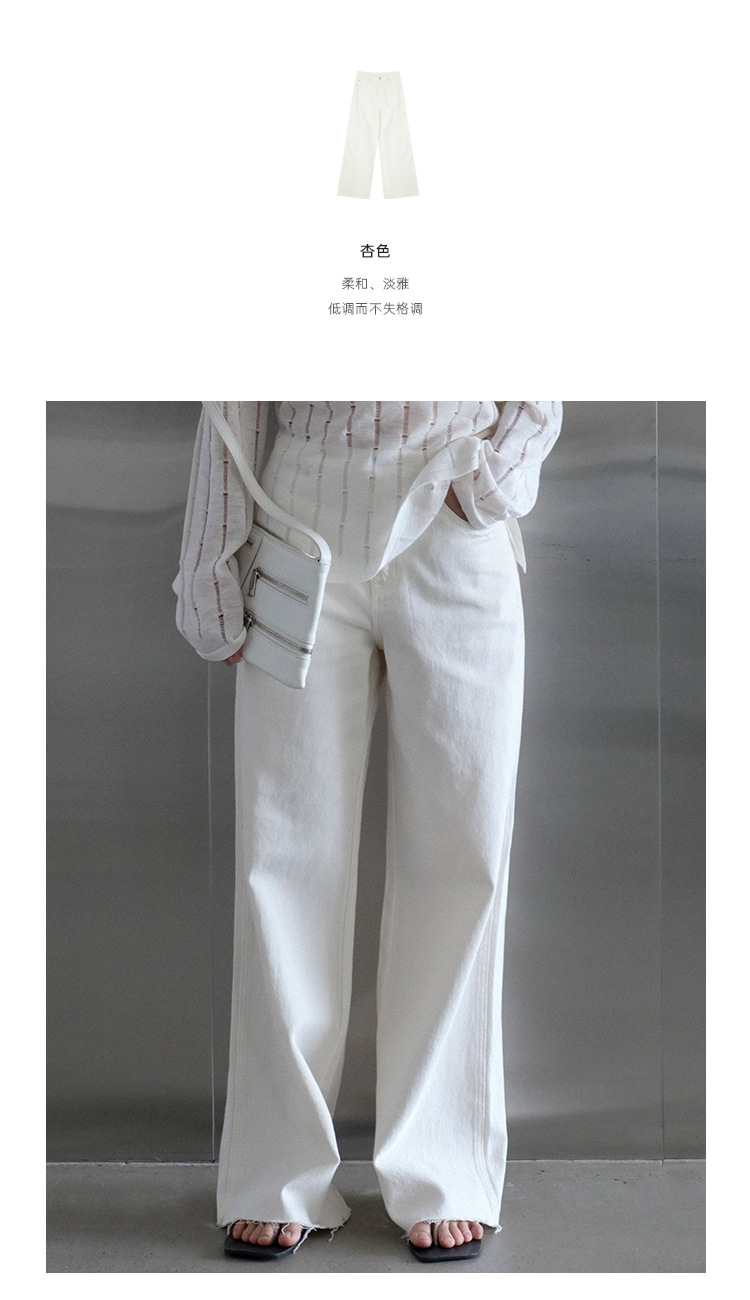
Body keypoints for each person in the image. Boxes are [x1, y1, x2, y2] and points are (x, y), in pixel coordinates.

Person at [172, 401, 563, 1263]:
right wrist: (209, 560)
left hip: (453, 509)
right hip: (299, 510)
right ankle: (278, 1171)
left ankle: (444, 1165)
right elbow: (231, 386)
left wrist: (495, 477)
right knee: (282, 855)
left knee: (462, 852)